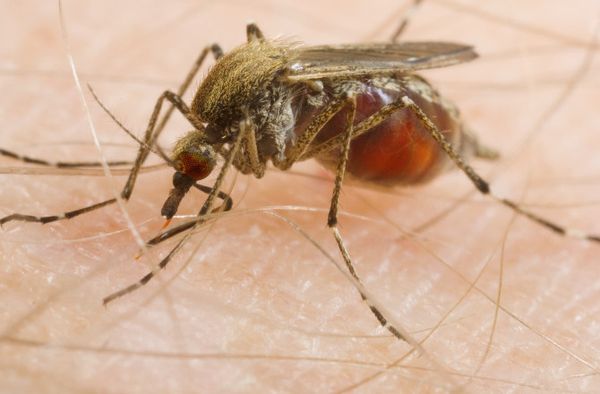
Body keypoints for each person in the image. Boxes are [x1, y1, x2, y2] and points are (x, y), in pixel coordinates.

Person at [1, 1, 598, 391]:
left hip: (396, 125)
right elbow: (185, 102)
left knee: (396, 99)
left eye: (192, 171)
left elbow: (281, 104)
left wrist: (328, 221)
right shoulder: (210, 116)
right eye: (191, 172)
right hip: (308, 100)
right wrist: (123, 189)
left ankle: (492, 196)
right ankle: (107, 192)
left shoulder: (234, 122)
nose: (186, 181)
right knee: (202, 81)